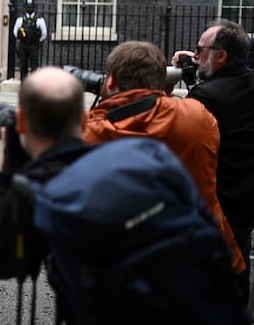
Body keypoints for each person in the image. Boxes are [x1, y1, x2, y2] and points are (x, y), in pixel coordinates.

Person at [83, 41, 245, 275]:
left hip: (136, 269)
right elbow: (168, 112)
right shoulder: (198, 118)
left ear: (110, 82)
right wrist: (189, 73)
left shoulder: (93, 132)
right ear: (162, 80)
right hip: (208, 257)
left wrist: (105, 97)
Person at [0, 67, 89, 314]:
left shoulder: (34, 189)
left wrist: (7, 174)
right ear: (84, 119)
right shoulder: (123, 161)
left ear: (21, 122)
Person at [172, 19, 254, 292]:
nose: (194, 55)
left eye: (199, 49)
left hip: (214, 206)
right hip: (244, 202)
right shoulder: (248, 82)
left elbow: (175, 143)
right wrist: (198, 68)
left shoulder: (205, 97)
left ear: (221, 56)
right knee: (238, 269)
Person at [12, 0, 47, 81]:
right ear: (25, 7)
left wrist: (37, 41)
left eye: (31, 7)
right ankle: (24, 83)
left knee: (34, 65)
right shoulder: (20, 19)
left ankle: (33, 83)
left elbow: (44, 33)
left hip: (34, 45)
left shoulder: (39, 19)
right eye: (28, 7)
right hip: (23, 45)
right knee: (23, 65)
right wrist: (23, 39)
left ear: (34, 7)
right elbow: (15, 32)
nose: (29, 8)